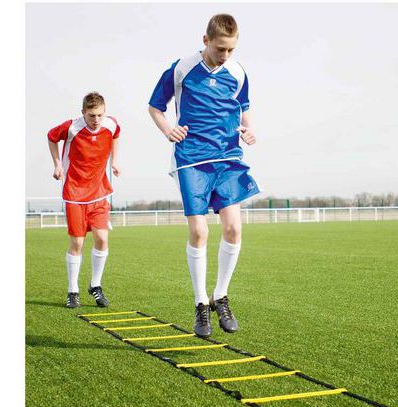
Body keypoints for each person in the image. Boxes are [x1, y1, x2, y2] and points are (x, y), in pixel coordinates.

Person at [148, 13, 260, 337]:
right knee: (199, 232)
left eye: (231, 50)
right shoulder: (181, 68)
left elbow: (244, 107)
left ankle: (220, 296)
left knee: (233, 228)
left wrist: (249, 129)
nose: (225, 55)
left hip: (227, 156)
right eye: (220, 48)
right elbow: (155, 106)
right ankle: (200, 303)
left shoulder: (238, 72)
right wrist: (168, 129)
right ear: (205, 40)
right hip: (191, 159)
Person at [47, 92, 121, 308]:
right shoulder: (71, 127)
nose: (96, 120)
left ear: (104, 112)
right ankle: (73, 290)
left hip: (100, 192)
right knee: (77, 243)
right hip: (75, 194)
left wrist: (115, 161)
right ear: (83, 113)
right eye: (91, 116)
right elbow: (51, 136)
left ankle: (95, 285)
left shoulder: (111, 124)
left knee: (102, 238)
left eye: (99, 115)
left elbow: (116, 134)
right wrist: (57, 165)